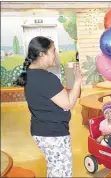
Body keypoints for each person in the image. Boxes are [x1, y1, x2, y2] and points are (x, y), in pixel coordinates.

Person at [14, 36, 82, 177]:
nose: (56, 54)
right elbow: (68, 103)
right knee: (61, 172)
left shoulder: (29, 75)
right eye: (53, 50)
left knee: (55, 168)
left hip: (41, 131)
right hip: (54, 134)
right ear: (42, 54)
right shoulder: (46, 78)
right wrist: (78, 81)